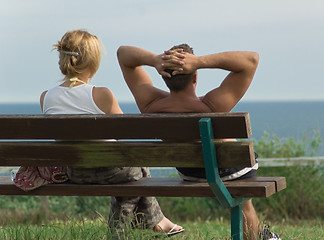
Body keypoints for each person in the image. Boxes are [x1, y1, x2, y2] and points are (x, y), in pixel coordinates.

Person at [117, 44, 281, 240]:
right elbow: (251, 60)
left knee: (225, 162)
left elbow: (123, 54)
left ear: (164, 76)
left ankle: (262, 235)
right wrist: (200, 62)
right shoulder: (211, 105)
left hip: (190, 173)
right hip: (229, 171)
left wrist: (155, 60)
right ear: (195, 77)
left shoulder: (150, 104)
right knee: (241, 194)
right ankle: (261, 236)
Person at [37, 30, 183, 238]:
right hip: (110, 172)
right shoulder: (102, 94)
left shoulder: (46, 97)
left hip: (74, 173)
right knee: (137, 172)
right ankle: (138, 227)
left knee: (134, 171)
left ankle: (159, 222)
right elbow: (127, 135)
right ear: (93, 62)